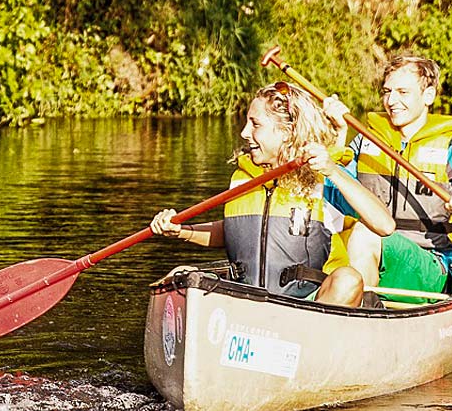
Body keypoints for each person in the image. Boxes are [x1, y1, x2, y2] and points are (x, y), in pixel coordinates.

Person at [149, 82, 396, 305]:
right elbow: (233, 232)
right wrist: (181, 231)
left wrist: (333, 170)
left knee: (348, 279)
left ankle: (310, 347)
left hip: (307, 306)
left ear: (287, 132)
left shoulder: (323, 178)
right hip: (247, 297)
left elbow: (384, 225)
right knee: (179, 276)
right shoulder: (243, 178)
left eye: (255, 124)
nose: (245, 133)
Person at [312, 55, 452, 306]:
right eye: (387, 92)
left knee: (364, 233)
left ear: (428, 96)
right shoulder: (365, 140)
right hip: (362, 256)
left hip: (427, 265)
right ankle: (361, 306)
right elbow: (330, 194)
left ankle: (363, 315)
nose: (392, 101)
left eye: (403, 92)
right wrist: (338, 132)